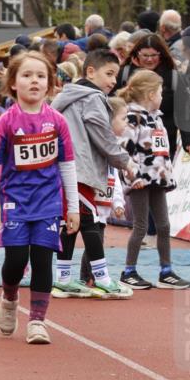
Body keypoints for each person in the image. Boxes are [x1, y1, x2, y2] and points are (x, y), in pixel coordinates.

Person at [0, 50, 80, 344]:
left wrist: (73, 207)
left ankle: (37, 321)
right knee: (17, 260)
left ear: (50, 83)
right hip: (16, 202)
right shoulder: (6, 122)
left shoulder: (57, 122)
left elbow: (67, 165)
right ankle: (9, 298)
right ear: (13, 83)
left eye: (41, 76)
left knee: (43, 260)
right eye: (27, 75)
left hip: (48, 202)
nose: (35, 81)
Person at [51, 48, 136, 298]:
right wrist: (125, 162)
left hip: (64, 168)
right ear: (90, 71)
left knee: (71, 223)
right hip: (79, 170)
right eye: (109, 74)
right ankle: (102, 278)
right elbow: (103, 135)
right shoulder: (93, 98)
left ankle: (63, 278)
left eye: (115, 75)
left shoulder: (67, 97)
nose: (113, 81)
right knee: (90, 223)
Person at [117, 70, 190, 289]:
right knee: (140, 226)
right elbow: (126, 150)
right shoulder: (133, 117)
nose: (162, 96)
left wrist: (167, 175)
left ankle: (166, 271)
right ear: (150, 94)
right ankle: (129, 271)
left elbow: (161, 151)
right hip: (140, 180)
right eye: (160, 92)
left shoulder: (156, 118)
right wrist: (133, 177)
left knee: (164, 225)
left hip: (158, 180)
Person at [79, 96, 127, 286]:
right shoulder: (97, 145)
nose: (126, 123)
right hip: (90, 204)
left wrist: (118, 202)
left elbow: (114, 179)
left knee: (95, 243)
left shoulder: (115, 147)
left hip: (103, 207)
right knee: (93, 241)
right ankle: (86, 277)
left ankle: (87, 276)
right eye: (123, 118)